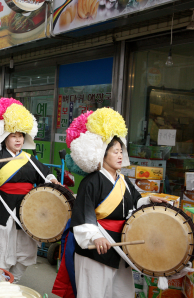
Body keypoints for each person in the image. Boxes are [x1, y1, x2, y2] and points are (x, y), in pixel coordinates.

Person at [52, 108, 168, 298]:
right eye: (115, 151)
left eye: (121, 151)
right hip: (96, 248)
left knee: (122, 294)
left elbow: (134, 203)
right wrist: (95, 237)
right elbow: (83, 214)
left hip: (119, 247)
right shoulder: (91, 182)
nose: (120, 155)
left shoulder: (122, 179)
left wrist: (148, 199)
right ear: (102, 154)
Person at [0, 98, 60, 281]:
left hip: (26, 210)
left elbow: (45, 174)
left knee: (25, 249)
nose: (18, 139)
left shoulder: (29, 158)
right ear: (5, 137)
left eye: (21, 136)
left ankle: (15, 279)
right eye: (14, 136)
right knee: (0, 248)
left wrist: (54, 180)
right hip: (1, 208)